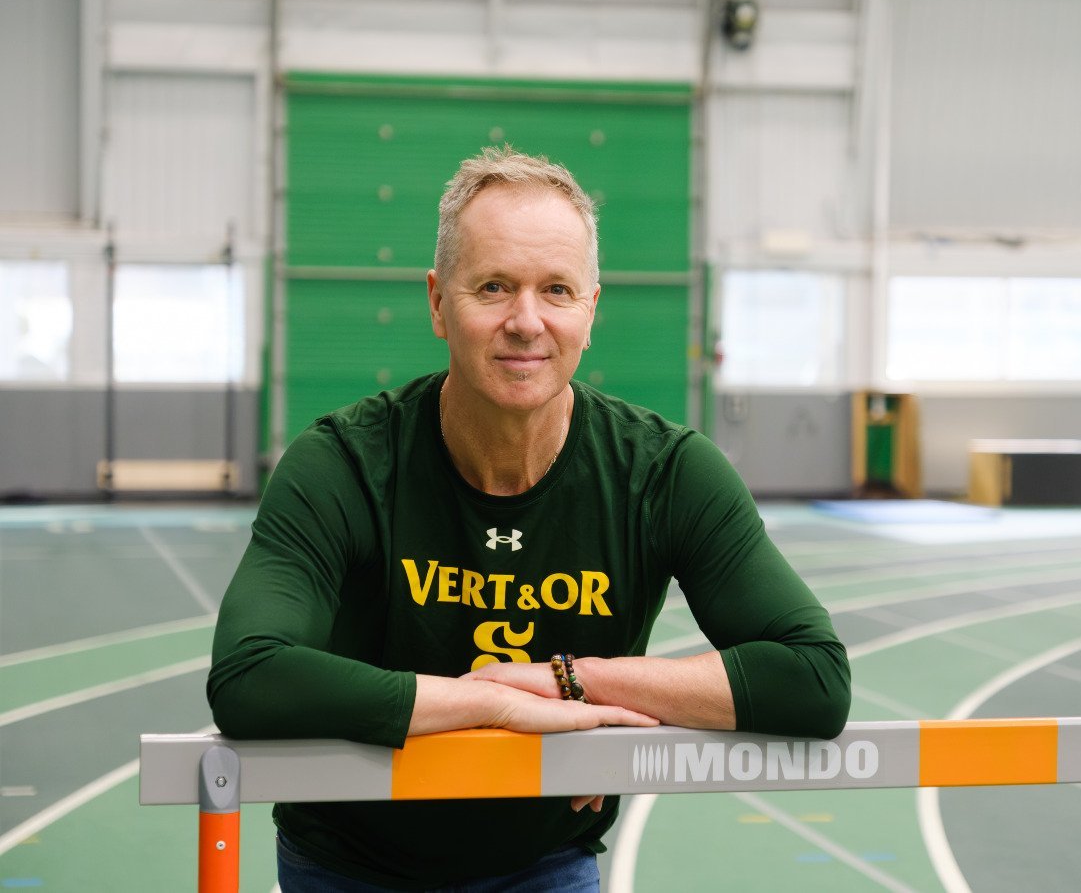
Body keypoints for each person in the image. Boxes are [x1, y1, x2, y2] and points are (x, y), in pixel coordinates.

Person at [207, 145, 851, 892]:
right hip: (348, 864)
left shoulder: (665, 473)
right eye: (493, 287)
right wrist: (496, 701)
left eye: (556, 290)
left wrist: (579, 681)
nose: (526, 321)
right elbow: (251, 677)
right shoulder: (344, 463)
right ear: (438, 303)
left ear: (591, 310)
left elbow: (813, 679)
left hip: (543, 864)